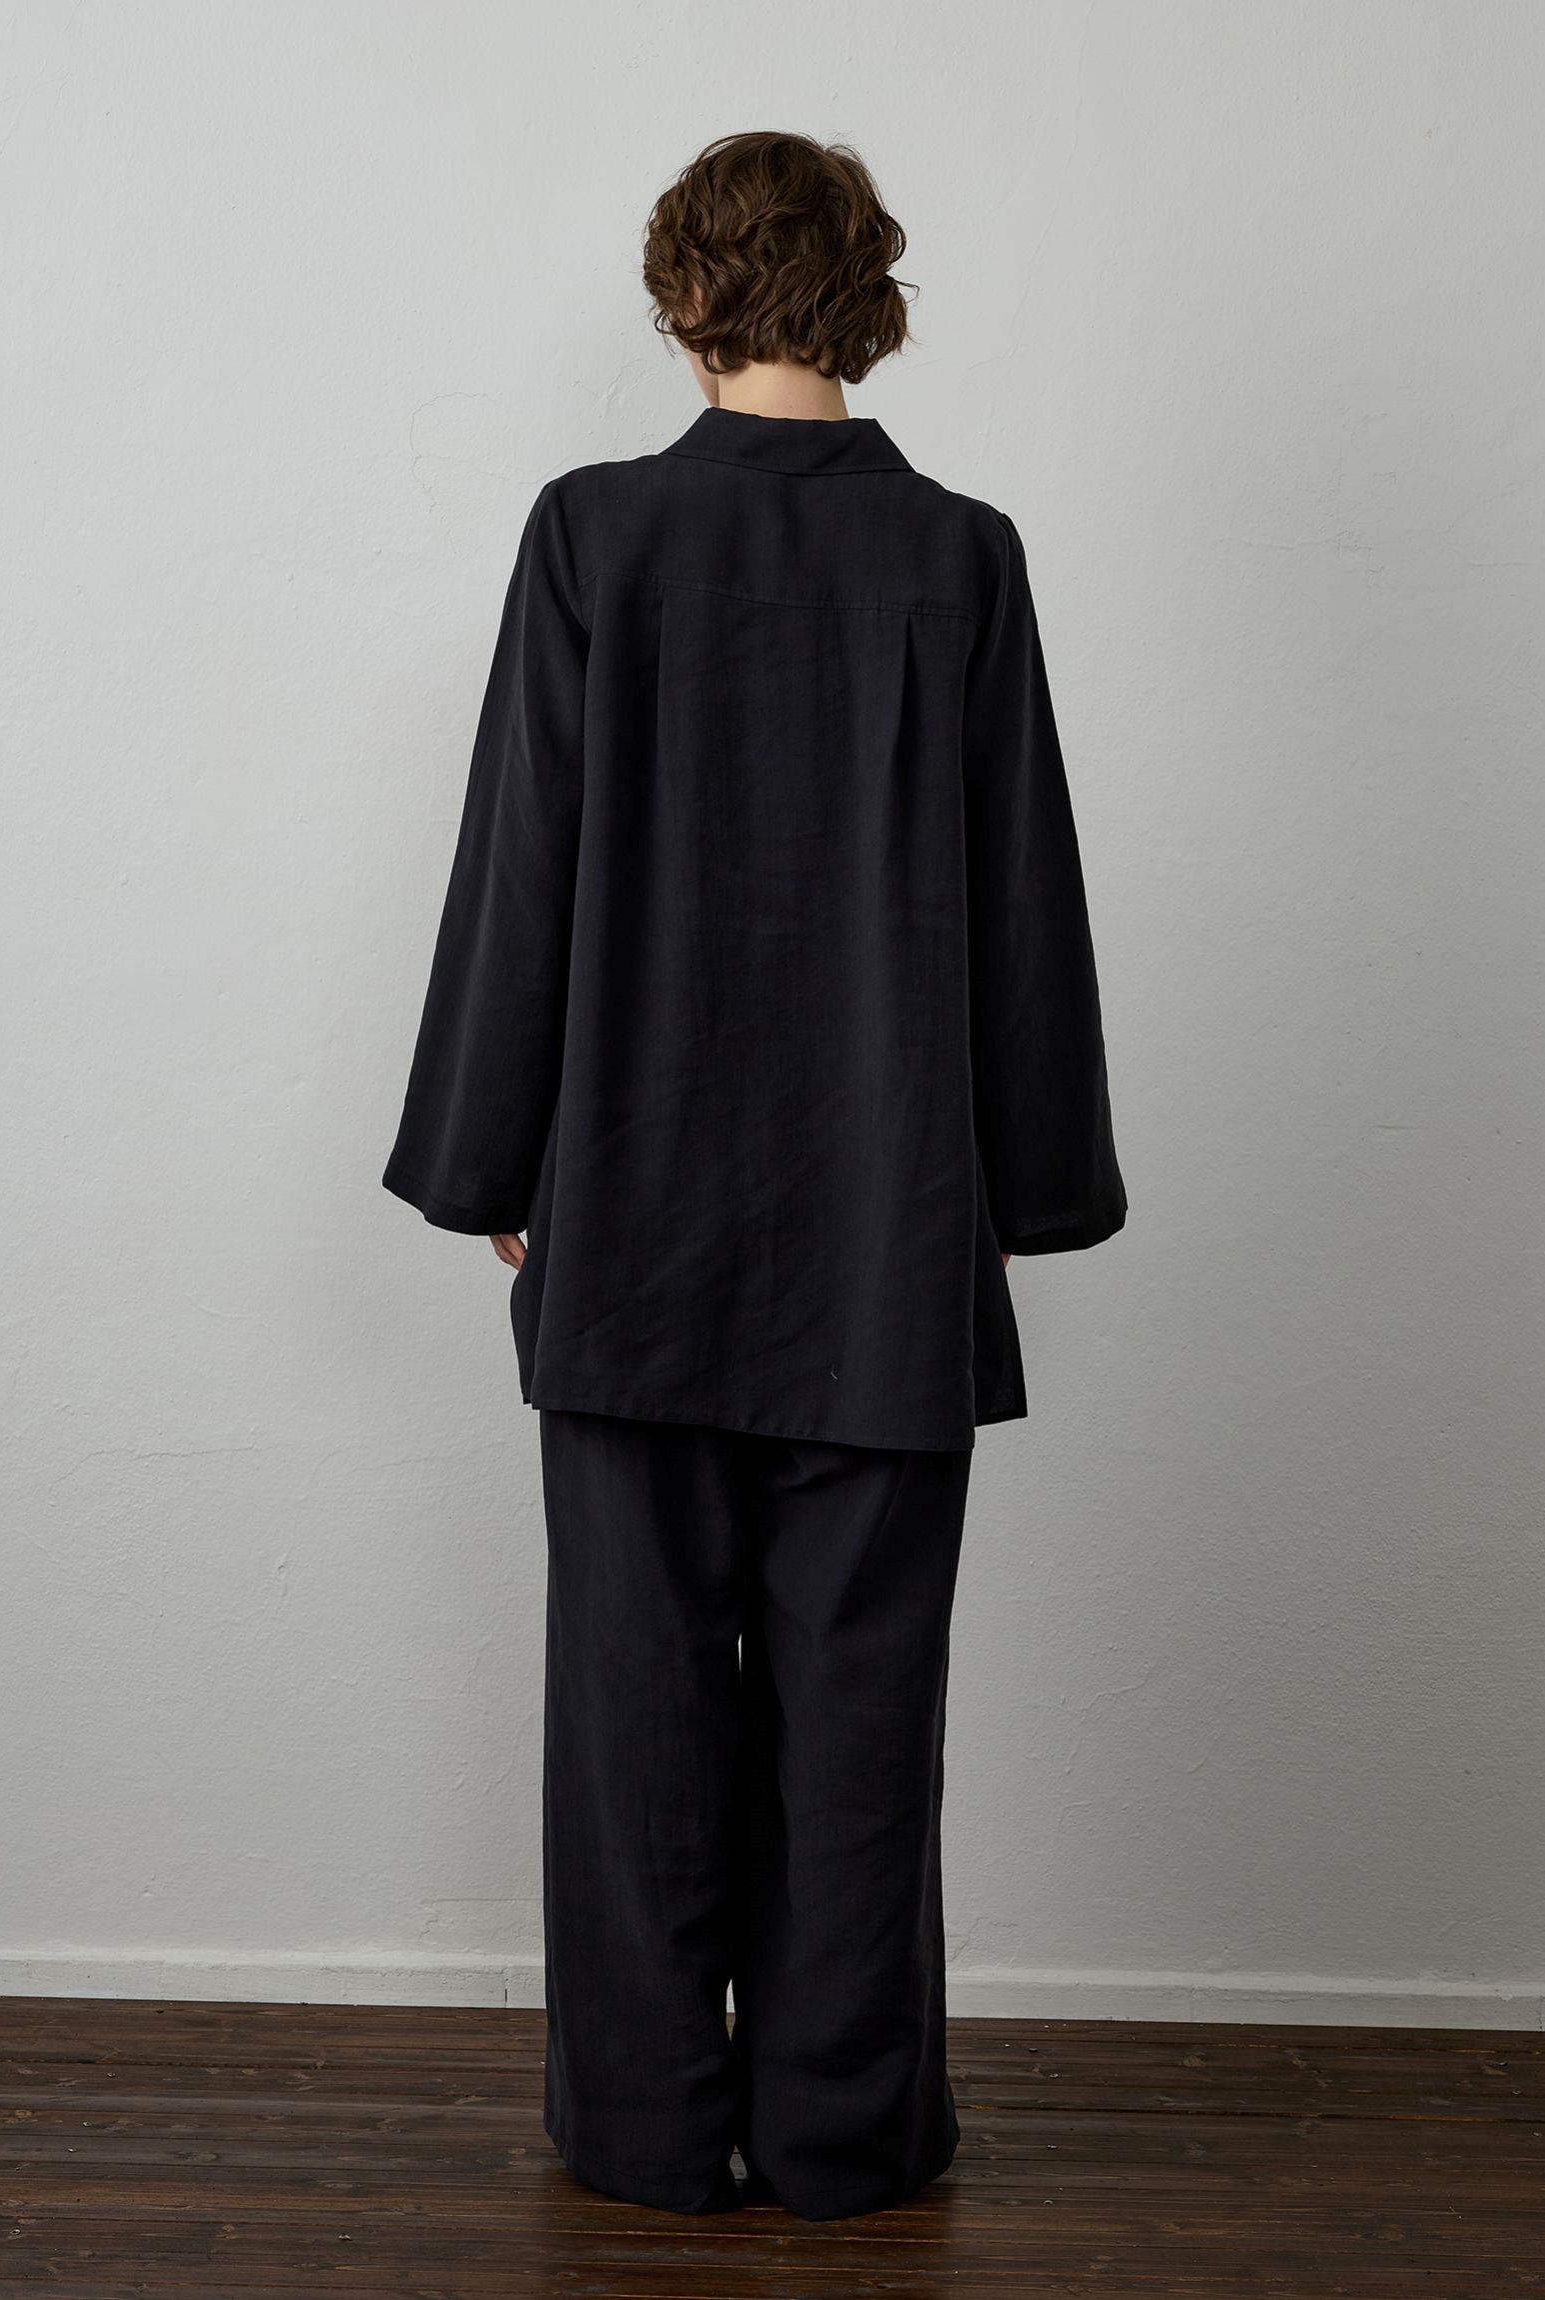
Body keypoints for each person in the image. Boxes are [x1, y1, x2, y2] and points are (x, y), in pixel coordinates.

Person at [381, 129, 1128, 2222]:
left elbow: (524, 856)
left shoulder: (595, 535)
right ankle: (842, 2131)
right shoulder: (960, 558)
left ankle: (642, 2126)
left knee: (634, 1703)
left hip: (629, 1213)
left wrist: (494, 1153)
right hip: (887, 1230)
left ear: (684, 294)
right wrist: (1023, 1191)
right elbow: (1021, 896)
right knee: (862, 1712)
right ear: (867, 295)